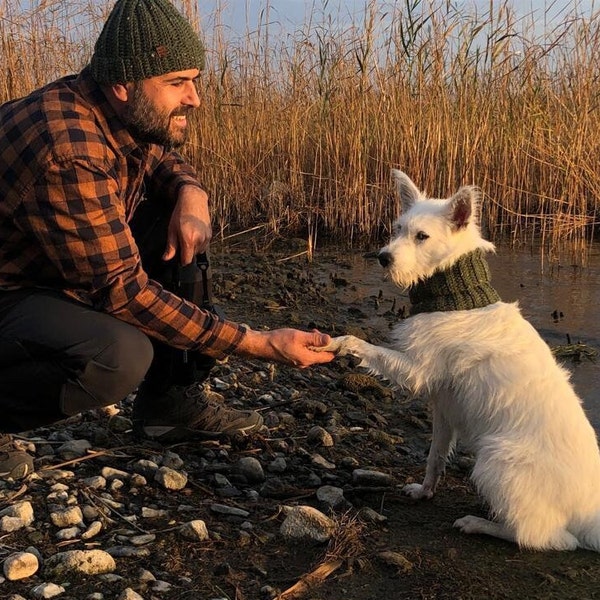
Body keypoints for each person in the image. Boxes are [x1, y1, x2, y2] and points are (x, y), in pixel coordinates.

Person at [0, 0, 335, 479]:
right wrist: (259, 343)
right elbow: (122, 292)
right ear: (123, 85)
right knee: (119, 354)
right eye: (177, 83)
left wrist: (191, 194)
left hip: (40, 272)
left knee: (173, 221)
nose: (195, 97)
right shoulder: (68, 148)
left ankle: (169, 406)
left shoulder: (112, 110)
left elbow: (159, 159)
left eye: (194, 79)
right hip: (9, 290)